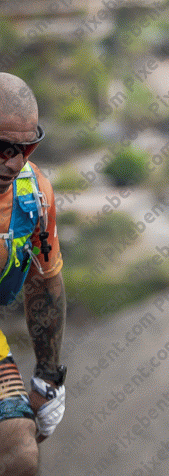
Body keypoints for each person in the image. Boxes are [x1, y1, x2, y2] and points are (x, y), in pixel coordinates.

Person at [0, 74, 66, 476]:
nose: (14, 162)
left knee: (21, 452)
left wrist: (47, 377)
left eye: (27, 148)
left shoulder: (33, 194)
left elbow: (44, 283)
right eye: (2, 147)